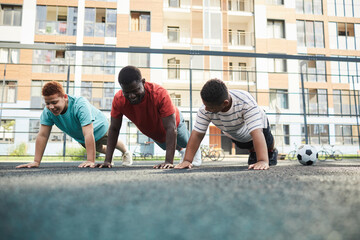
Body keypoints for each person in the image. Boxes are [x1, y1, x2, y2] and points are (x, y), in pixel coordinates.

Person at [97, 65, 201, 169]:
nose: (132, 96)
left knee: (184, 142)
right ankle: (182, 151)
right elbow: (114, 129)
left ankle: (194, 149)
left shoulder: (159, 93)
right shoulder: (119, 100)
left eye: (135, 90)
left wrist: (168, 161)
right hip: (153, 131)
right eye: (127, 92)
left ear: (143, 82)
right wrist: (107, 160)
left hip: (174, 124)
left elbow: (171, 128)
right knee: (166, 146)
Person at [16, 81, 131, 169]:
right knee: (99, 148)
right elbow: (42, 135)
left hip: (100, 127)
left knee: (111, 141)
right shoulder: (48, 112)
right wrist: (36, 161)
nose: (51, 107)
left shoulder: (79, 104)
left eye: (54, 102)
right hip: (82, 136)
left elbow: (88, 132)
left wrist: (91, 160)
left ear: (65, 97)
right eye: (47, 103)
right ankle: (110, 154)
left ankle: (125, 151)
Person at [175, 78, 278, 170]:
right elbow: (197, 135)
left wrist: (262, 160)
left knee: (267, 141)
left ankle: (272, 150)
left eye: (210, 107)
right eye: (204, 104)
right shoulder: (205, 109)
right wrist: (187, 160)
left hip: (258, 128)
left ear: (225, 103)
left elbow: (256, 132)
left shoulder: (245, 102)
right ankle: (252, 151)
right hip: (235, 132)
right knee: (243, 145)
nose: (206, 109)